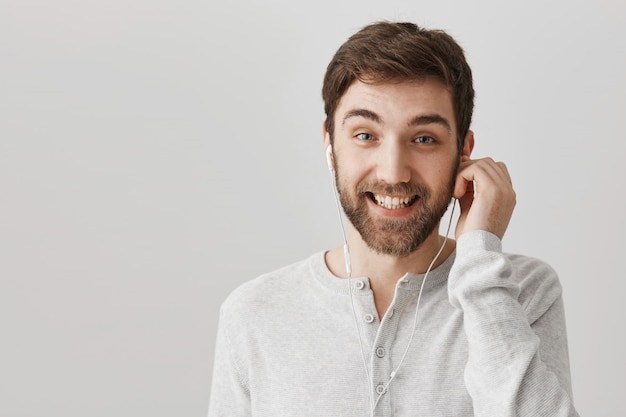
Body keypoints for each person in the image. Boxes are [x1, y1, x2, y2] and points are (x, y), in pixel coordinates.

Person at [208, 21, 578, 417]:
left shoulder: (520, 292)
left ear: (463, 152)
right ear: (330, 147)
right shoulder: (254, 313)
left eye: (423, 139)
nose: (393, 172)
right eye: (366, 135)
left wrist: (480, 262)